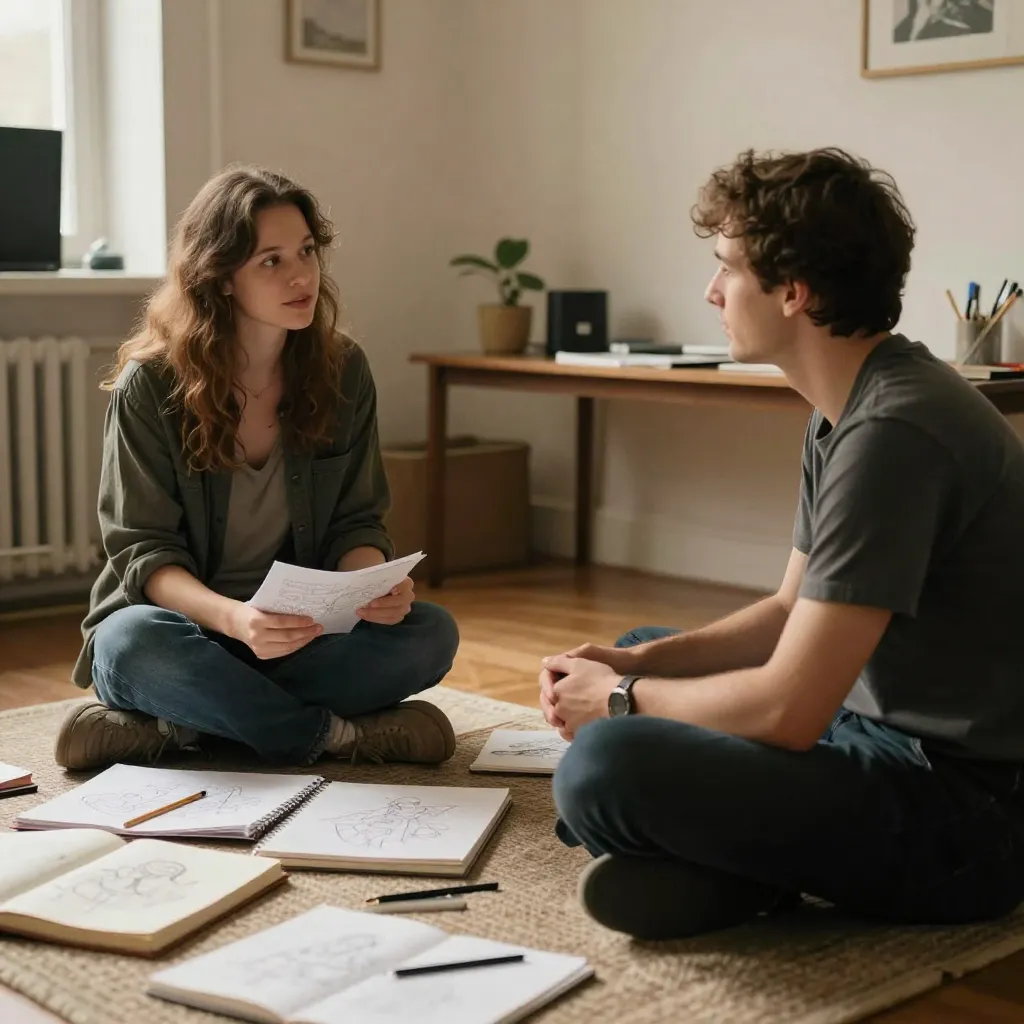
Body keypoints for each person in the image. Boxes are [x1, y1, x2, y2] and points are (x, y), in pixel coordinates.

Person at [541, 147, 1024, 941]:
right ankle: (751, 868)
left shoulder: (896, 431)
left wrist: (619, 702)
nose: (710, 290)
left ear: (793, 292)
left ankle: (744, 866)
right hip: (868, 728)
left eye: (726, 267)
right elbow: (788, 608)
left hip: (964, 816)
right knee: (641, 647)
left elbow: (789, 709)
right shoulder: (847, 404)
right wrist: (632, 668)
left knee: (606, 765)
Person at [56, 165, 460, 772]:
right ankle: (337, 738)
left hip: (300, 638)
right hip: (187, 627)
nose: (301, 275)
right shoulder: (152, 384)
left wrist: (371, 585)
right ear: (219, 278)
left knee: (430, 632)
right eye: (270, 260)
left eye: (305, 251)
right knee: (129, 644)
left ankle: (176, 727)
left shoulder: (343, 369)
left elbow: (357, 520)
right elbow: (143, 552)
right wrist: (236, 620)